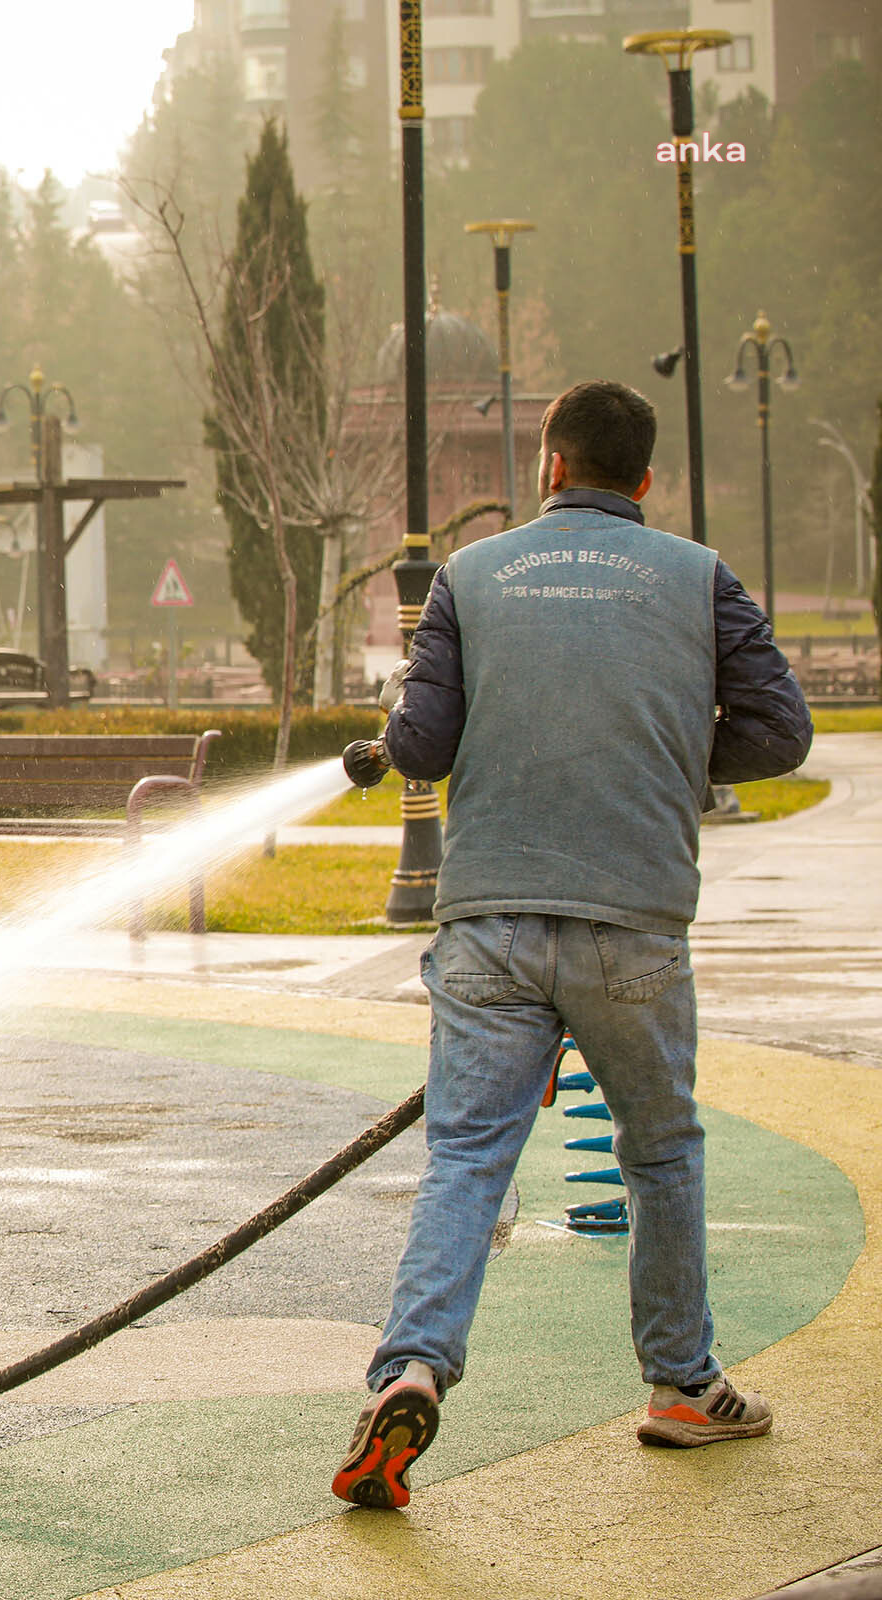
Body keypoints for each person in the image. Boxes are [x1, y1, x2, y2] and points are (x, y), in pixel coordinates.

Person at [331, 379, 814, 1511]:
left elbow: (423, 739)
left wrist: (395, 733)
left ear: (550, 467)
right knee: (662, 1156)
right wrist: (678, 756)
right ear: (645, 481)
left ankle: (409, 1369)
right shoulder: (701, 578)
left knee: (466, 1159)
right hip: (634, 922)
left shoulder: (472, 572)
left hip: (491, 922)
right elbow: (783, 730)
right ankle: (682, 1386)